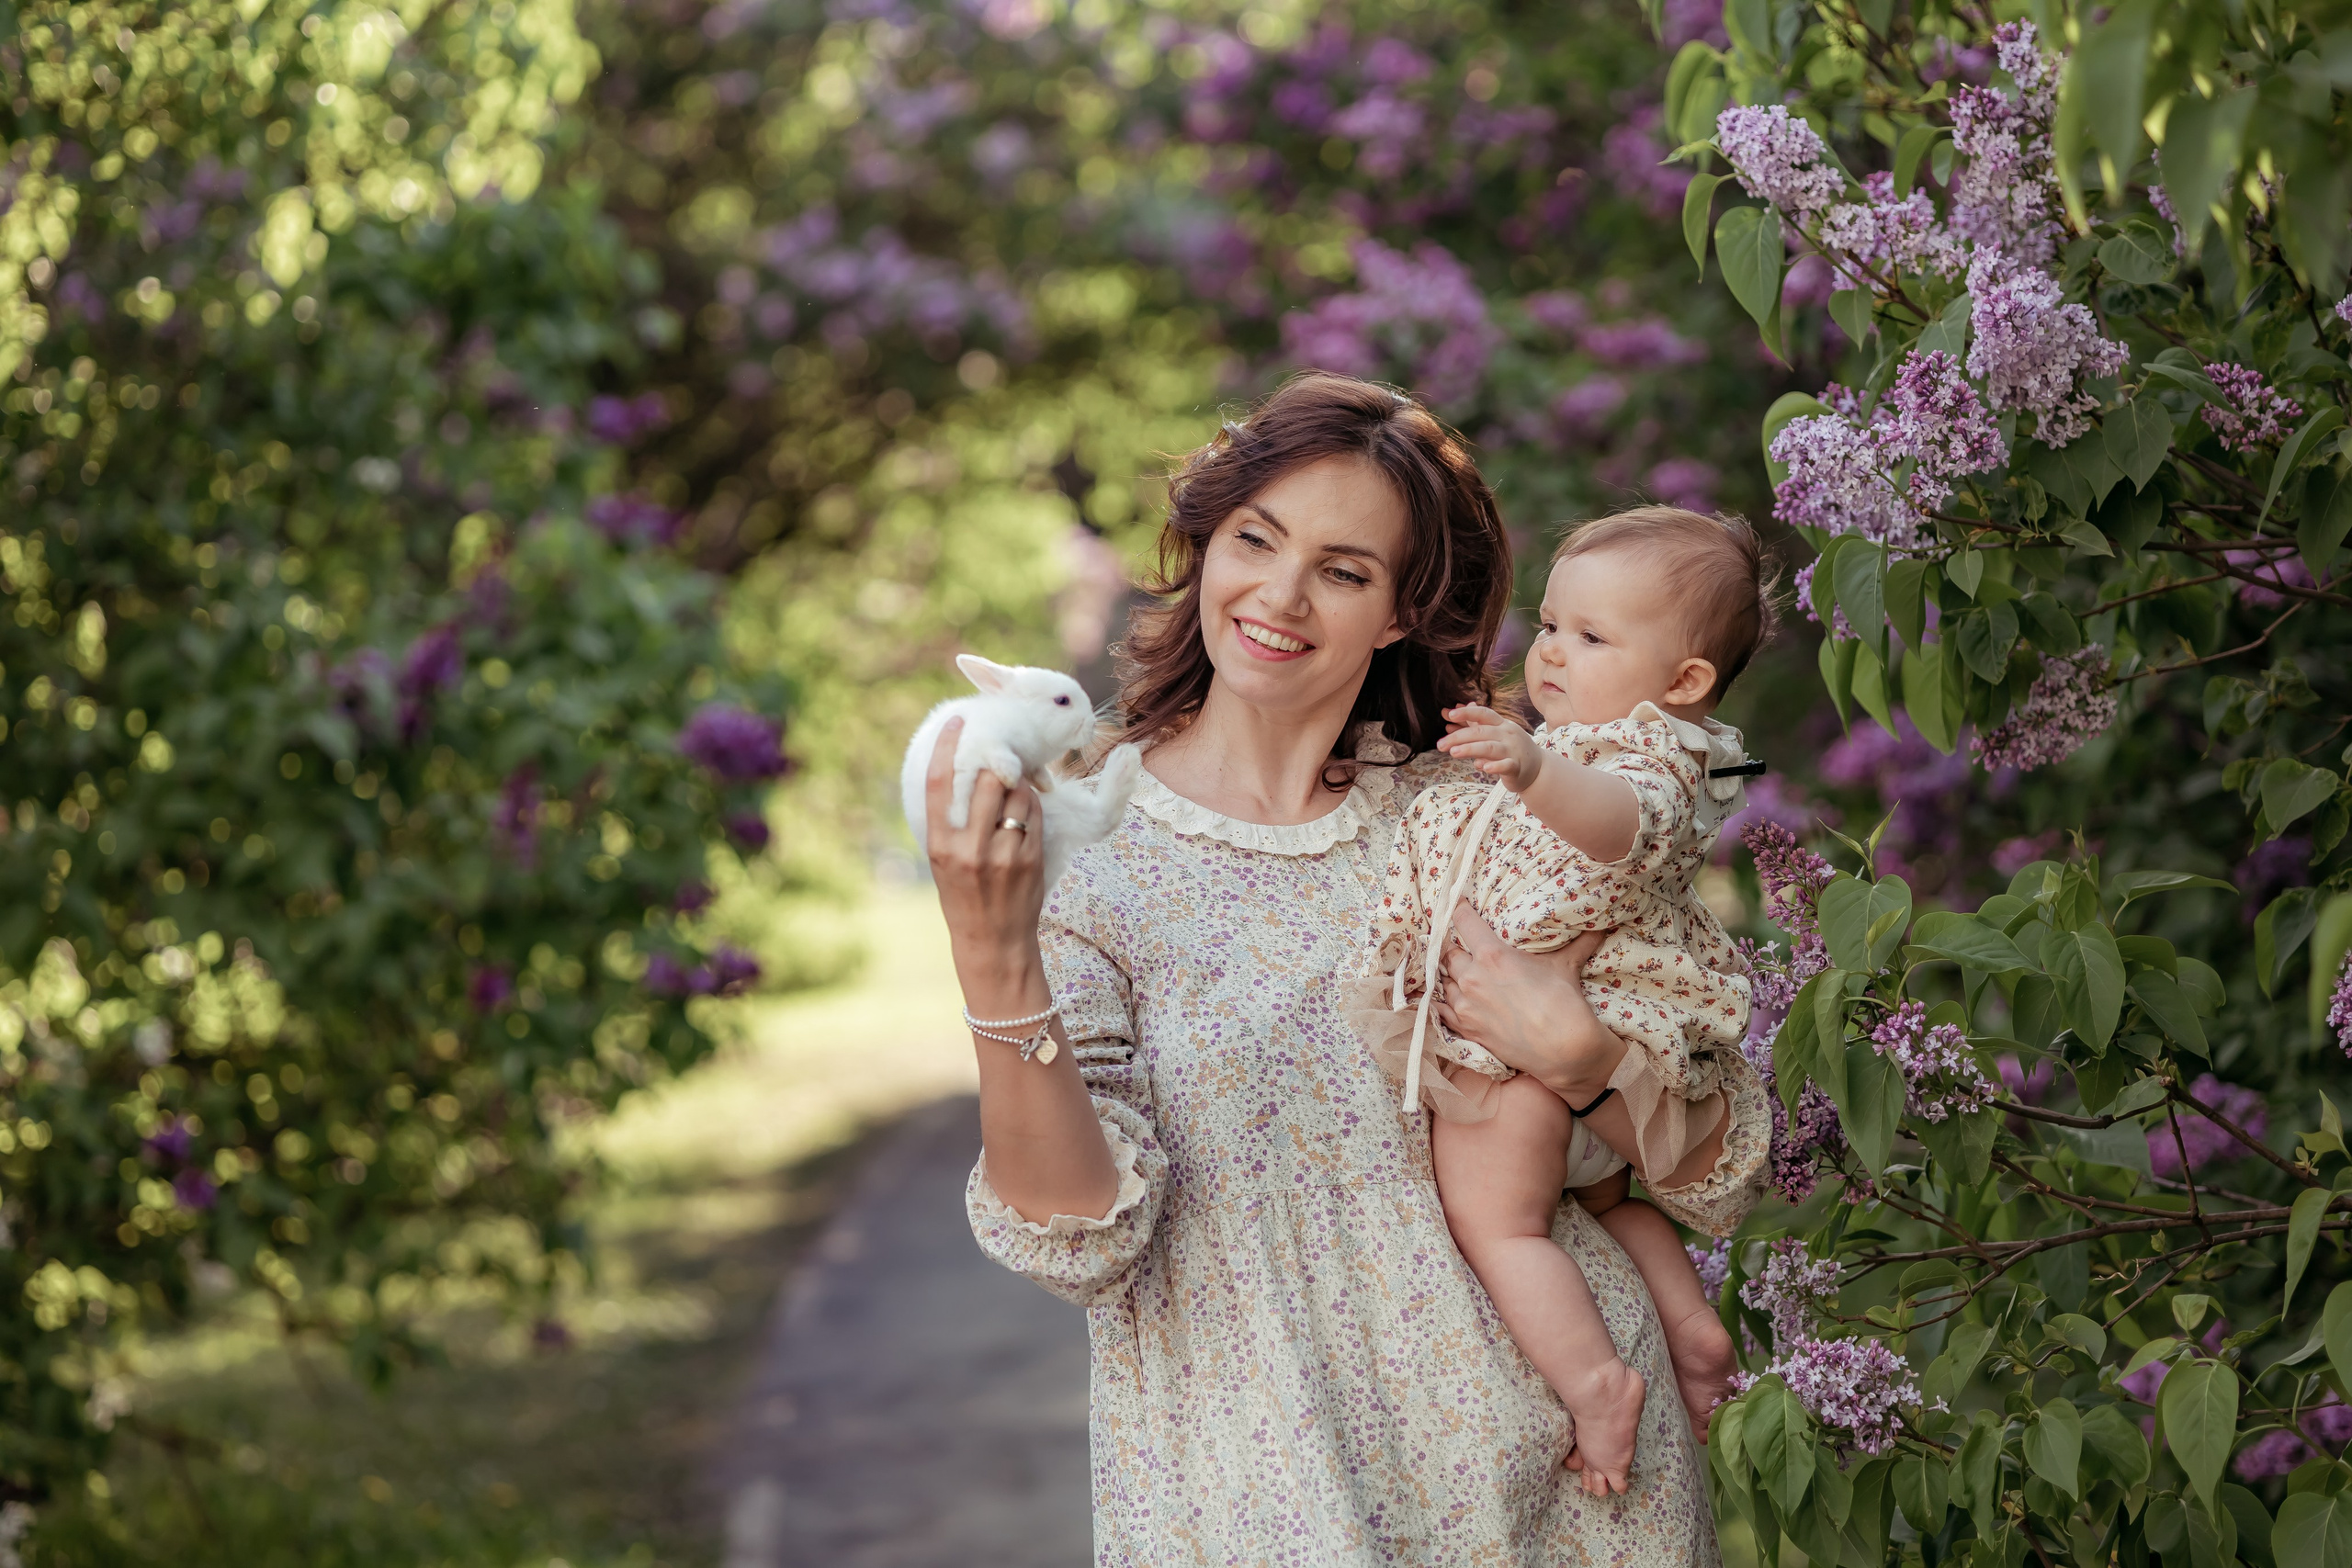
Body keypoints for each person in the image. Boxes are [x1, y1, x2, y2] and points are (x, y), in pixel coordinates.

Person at [923, 374, 1768, 1565]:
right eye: (1255, 539)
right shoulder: (1087, 836)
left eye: (1344, 567)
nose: (1280, 593)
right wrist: (994, 955)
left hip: (1572, 1497)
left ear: (1398, 616)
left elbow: (1716, 1152)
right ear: (1206, 544)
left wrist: (1586, 1058)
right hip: (1264, 1501)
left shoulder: (1478, 815)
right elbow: (1081, 1232)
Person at [1352, 506, 1773, 1496]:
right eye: (1548, 626)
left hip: (1542, 1058)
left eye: (1590, 637)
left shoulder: (1651, 757)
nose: (1550, 653)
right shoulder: (1580, 742)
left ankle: (1594, 1387)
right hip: (1590, 1077)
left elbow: (1622, 824)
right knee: (1602, 1199)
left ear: (1682, 684)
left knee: (1497, 1220)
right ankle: (1691, 1328)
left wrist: (1539, 766)